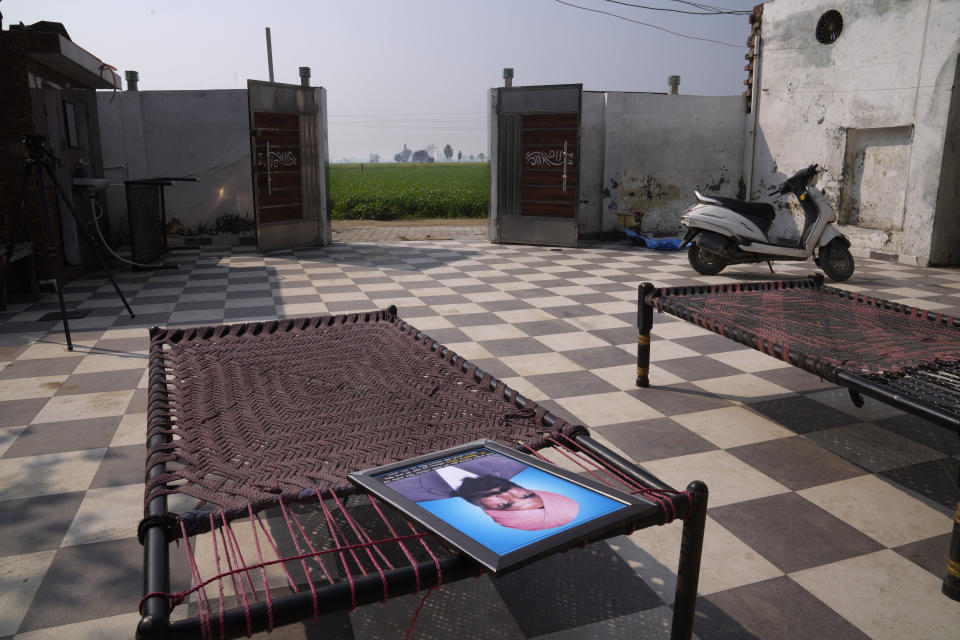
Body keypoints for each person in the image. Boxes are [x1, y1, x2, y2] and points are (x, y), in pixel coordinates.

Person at [387, 453, 578, 531]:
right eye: (526, 495)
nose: (507, 494)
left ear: (489, 510)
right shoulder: (510, 461)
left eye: (505, 505)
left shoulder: (406, 493)